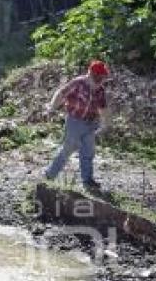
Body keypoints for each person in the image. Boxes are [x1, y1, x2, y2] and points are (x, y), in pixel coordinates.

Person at [44, 60, 111, 191]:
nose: (101, 81)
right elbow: (61, 94)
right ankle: (49, 175)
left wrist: (105, 124)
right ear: (91, 75)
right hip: (75, 121)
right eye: (99, 78)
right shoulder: (78, 83)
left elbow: (103, 109)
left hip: (91, 123)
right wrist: (51, 108)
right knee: (68, 149)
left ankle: (88, 181)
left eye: (103, 78)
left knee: (88, 152)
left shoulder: (100, 90)